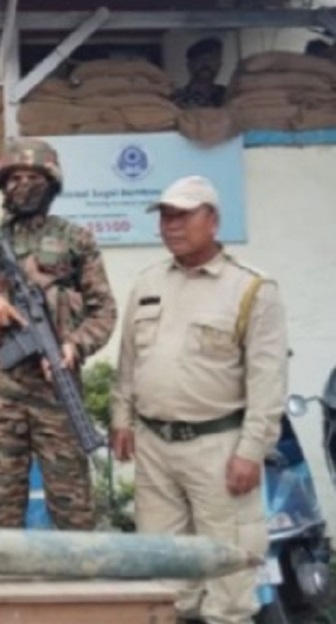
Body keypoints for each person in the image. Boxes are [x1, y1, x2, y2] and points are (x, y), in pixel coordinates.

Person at [110, 175, 287, 624]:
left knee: (229, 578)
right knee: (165, 574)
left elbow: (268, 381)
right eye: (166, 216)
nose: (171, 225)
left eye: (183, 215)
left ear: (213, 220)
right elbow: (128, 361)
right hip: (154, 447)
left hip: (219, 449)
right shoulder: (148, 282)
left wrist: (252, 450)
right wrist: (121, 418)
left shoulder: (252, 288)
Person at [0, 138, 117, 531]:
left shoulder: (76, 240)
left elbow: (103, 310)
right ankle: (3, 573)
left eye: (33, 177)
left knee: (73, 507)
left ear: (51, 183)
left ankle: (78, 572)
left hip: (56, 383)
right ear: (3, 185)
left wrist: (75, 344)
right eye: (15, 178)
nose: (23, 185)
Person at [173, 37, 228, 110]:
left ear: (219, 65)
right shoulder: (175, 99)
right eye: (200, 59)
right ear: (190, 65)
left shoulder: (229, 96)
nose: (206, 63)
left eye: (212, 59)